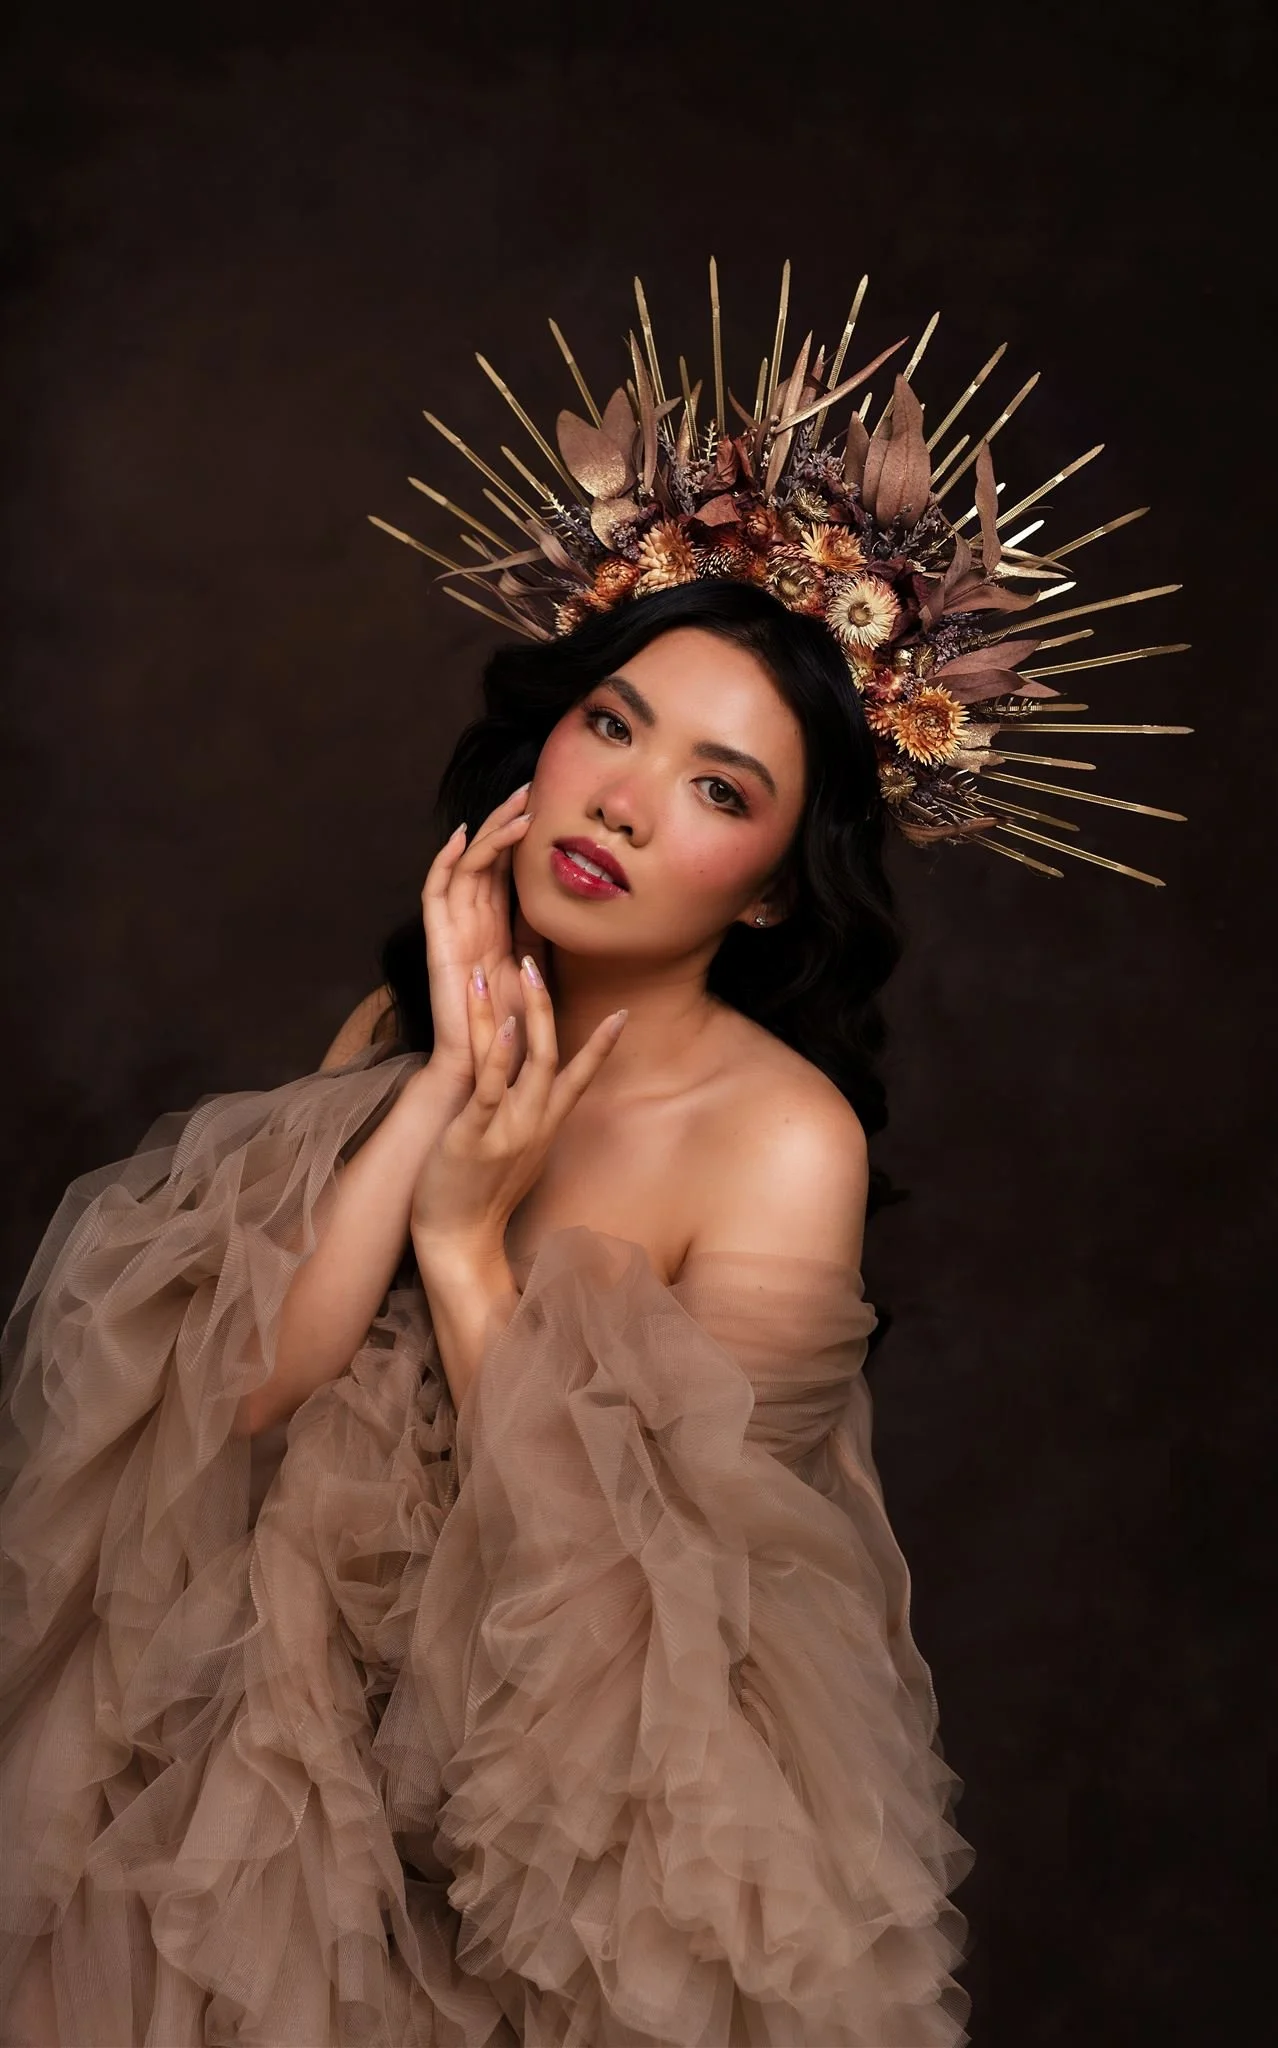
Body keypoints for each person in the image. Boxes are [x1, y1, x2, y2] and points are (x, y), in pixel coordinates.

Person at [0, 581, 976, 2045]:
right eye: (612, 727)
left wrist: (463, 1249)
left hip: (569, 1829)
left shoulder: (782, 1141)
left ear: (774, 883)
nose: (626, 806)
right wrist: (438, 1083)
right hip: (285, 1770)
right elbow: (245, 1391)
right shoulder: (413, 1024)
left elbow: (647, 1610)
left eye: (717, 788)